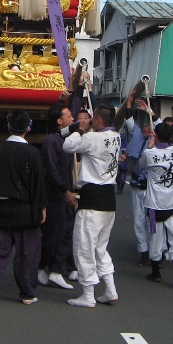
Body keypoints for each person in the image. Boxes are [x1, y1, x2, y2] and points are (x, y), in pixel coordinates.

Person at [0, 110, 46, 308]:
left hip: (1, 207)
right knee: (28, 253)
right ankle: (27, 293)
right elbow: (39, 184)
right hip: (26, 209)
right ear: (27, 128)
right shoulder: (33, 153)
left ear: (8, 125)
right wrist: (41, 207)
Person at [62, 106, 122, 308]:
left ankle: (88, 294)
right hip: (108, 201)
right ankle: (110, 289)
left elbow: (68, 145)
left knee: (84, 247)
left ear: (98, 120)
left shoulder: (92, 138)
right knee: (100, 248)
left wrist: (81, 129)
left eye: (92, 118)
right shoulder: (116, 137)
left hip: (92, 202)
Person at [115, 85, 161, 267]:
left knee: (152, 220)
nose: (149, 130)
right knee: (138, 220)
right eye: (146, 127)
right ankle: (143, 252)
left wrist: (150, 112)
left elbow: (160, 125)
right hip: (136, 186)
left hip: (152, 187)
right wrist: (130, 103)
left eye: (151, 128)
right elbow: (128, 121)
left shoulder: (159, 145)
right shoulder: (136, 137)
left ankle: (156, 251)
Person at [37, 103, 78, 290]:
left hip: (66, 192)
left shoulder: (66, 140)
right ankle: (40, 266)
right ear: (60, 121)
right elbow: (52, 171)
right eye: (69, 116)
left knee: (67, 232)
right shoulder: (51, 142)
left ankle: (56, 270)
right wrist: (65, 190)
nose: (72, 118)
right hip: (55, 194)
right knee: (53, 234)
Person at [139, 123, 173, 285]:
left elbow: (142, 164)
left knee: (155, 240)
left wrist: (150, 145)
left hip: (155, 205)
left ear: (156, 136)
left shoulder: (149, 153)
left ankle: (156, 273)